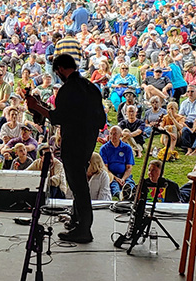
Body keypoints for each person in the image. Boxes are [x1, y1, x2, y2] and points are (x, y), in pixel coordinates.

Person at [26, 53, 106, 244]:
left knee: (77, 183)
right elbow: (101, 120)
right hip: (88, 140)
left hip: (74, 141)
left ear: (60, 69)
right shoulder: (90, 86)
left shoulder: (67, 90)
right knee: (79, 180)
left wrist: (36, 106)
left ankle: (84, 228)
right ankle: (77, 219)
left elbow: (57, 118)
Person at [100, 125, 135, 200]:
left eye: (115, 133)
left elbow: (129, 167)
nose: (113, 136)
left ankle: (130, 193)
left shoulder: (127, 148)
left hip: (124, 174)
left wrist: (123, 179)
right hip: (111, 175)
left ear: (120, 135)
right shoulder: (104, 149)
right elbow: (105, 167)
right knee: (113, 185)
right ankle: (120, 195)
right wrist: (115, 178)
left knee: (129, 183)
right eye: (111, 133)